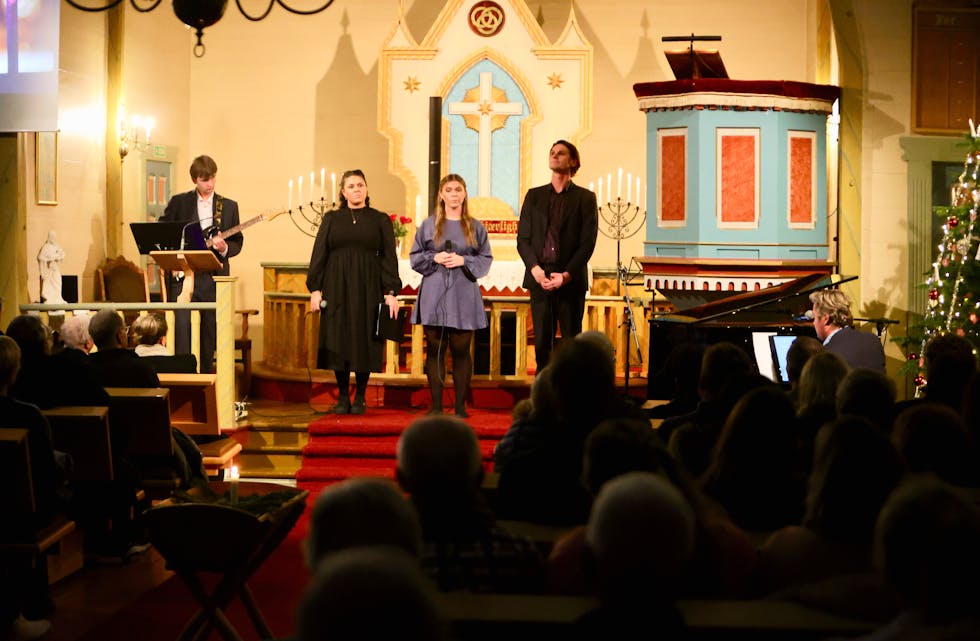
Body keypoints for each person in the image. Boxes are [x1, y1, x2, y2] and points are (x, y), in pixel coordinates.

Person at [307, 169, 401, 415]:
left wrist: (390, 290)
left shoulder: (380, 220)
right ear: (343, 191)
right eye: (351, 186)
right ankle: (341, 396)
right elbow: (319, 254)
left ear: (367, 189)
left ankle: (360, 395)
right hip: (336, 285)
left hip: (368, 286)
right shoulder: (331, 219)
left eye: (360, 185)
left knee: (364, 339)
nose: (356, 189)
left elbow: (388, 258)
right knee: (338, 337)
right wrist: (315, 289)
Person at [409, 174, 493, 417]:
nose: (454, 194)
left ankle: (459, 407)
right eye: (449, 189)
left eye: (458, 189)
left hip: (463, 292)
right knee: (435, 348)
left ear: (465, 194)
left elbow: (485, 258)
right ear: (441, 194)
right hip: (435, 291)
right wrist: (434, 257)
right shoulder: (428, 225)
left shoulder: (475, 226)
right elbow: (415, 256)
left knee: (460, 350)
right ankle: (436, 406)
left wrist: (463, 259)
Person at [517, 139, 598, 371]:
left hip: (569, 281)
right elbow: (523, 239)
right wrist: (535, 269)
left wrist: (566, 275)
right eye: (552, 152)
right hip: (540, 279)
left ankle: (571, 399)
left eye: (561, 153)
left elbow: (587, 243)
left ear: (573, 161)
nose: (554, 155)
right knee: (542, 345)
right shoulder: (534, 196)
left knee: (572, 344)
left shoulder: (585, 198)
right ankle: (542, 398)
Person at [160, 155, 243, 374]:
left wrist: (224, 247)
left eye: (213, 178)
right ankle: (183, 377)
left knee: (209, 331)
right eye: (205, 180)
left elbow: (238, 242)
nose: (210, 184)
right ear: (195, 179)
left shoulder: (228, 206)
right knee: (182, 329)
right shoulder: (180, 202)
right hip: (184, 275)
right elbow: (163, 229)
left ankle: (206, 379)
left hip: (213, 277)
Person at [809, 289, 886, 373]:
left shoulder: (826, 357)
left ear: (825, 319)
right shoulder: (873, 340)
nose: (813, 323)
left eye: (815, 318)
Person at [37, 230, 65, 305]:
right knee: (49, 283)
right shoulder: (45, 247)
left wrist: (59, 256)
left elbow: (62, 253)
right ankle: (49, 298)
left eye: (54, 237)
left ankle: (58, 297)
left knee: (58, 281)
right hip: (49, 269)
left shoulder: (56, 246)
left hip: (55, 267)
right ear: (49, 237)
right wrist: (49, 259)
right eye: (52, 237)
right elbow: (40, 257)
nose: (53, 238)